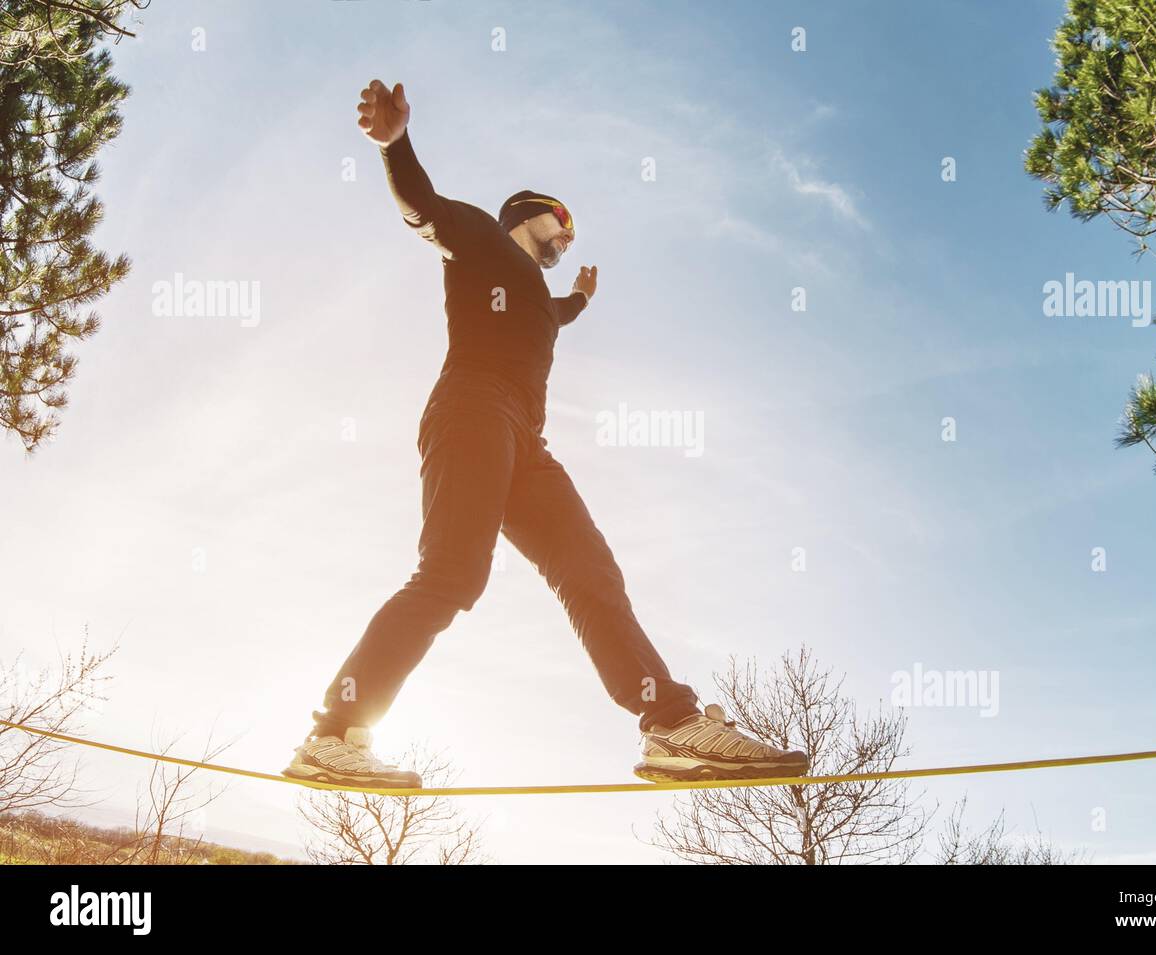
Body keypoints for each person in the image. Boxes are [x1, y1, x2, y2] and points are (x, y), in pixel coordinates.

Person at [282, 79, 809, 789]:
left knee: (589, 569)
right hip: (470, 410)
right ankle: (335, 733)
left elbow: (553, 315)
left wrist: (582, 300)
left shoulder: (535, 293)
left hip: (525, 439)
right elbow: (423, 210)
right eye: (560, 224)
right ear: (526, 215)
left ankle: (671, 726)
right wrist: (395, 145)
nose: (566, 238)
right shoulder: (478, 240)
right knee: (452, 574)